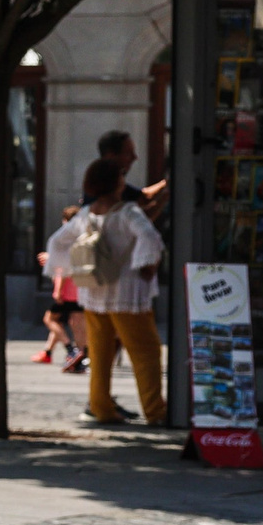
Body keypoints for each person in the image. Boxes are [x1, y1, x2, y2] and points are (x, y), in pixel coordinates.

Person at [48, 155, 168, 427]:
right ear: (116, 182)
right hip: (127, 293)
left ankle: (101, 406)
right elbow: (150, 238)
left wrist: (70, 270)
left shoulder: (87, 214)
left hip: (94, 290)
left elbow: (57, 242)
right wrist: (145, 265)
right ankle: (155, 409)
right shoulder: (127, 212)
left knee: (100, 353)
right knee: (145, 351)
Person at [36, 207, 85, 369]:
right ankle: (73, 355)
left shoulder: (65, 240)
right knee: (74, 323)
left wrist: (58, 290)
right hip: (79, 289)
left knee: (50, 319)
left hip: (68, 291)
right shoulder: (81, 238)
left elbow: (63, 268)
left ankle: (72, 351)